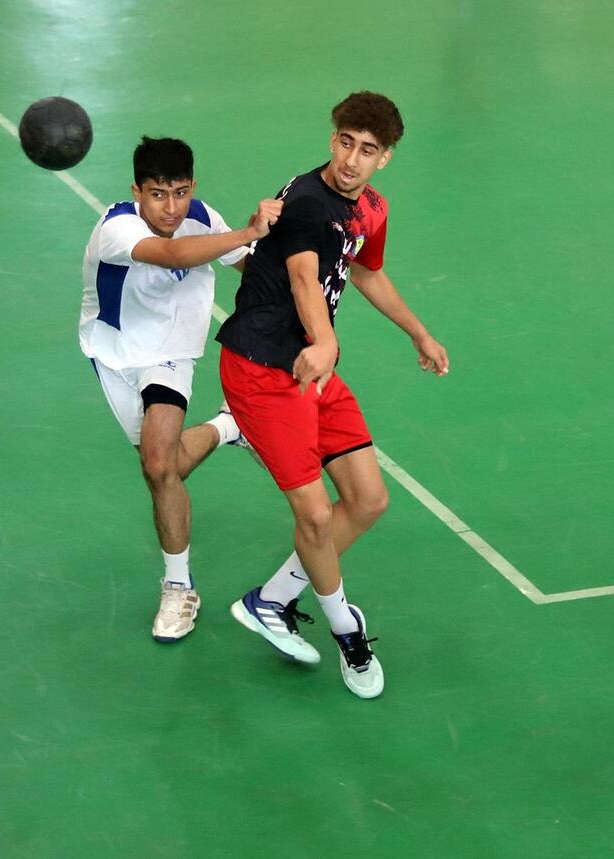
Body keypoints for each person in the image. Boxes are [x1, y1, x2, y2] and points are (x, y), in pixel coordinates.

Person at [216, 92, 449, 699]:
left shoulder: (371, 208)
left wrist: (418, 332)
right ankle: (347, 631)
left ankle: (271, 599)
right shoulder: (306, 202)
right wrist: (326, 341)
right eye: (345, 143)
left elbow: (366, 270)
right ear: (332, 138)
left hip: (309, 368)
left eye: (367, 150)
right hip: (262, 368)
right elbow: (302, 278)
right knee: (317, 517)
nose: (351, 160)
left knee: (368, 500)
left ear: (385, 158)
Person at [80, 137, 281, 643]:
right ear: (137, 192)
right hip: (113, 354)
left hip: (170, 352)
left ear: (193, 186)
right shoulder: (116, 227)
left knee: (156, 466)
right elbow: (170, 254)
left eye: (181, 193)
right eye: (158, 194)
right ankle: (229, 426)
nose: (171, 208)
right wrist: (246, 231)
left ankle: (178, 586)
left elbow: (253, 267)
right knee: (164, 468)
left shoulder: (203, 217)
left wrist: (303, 267)